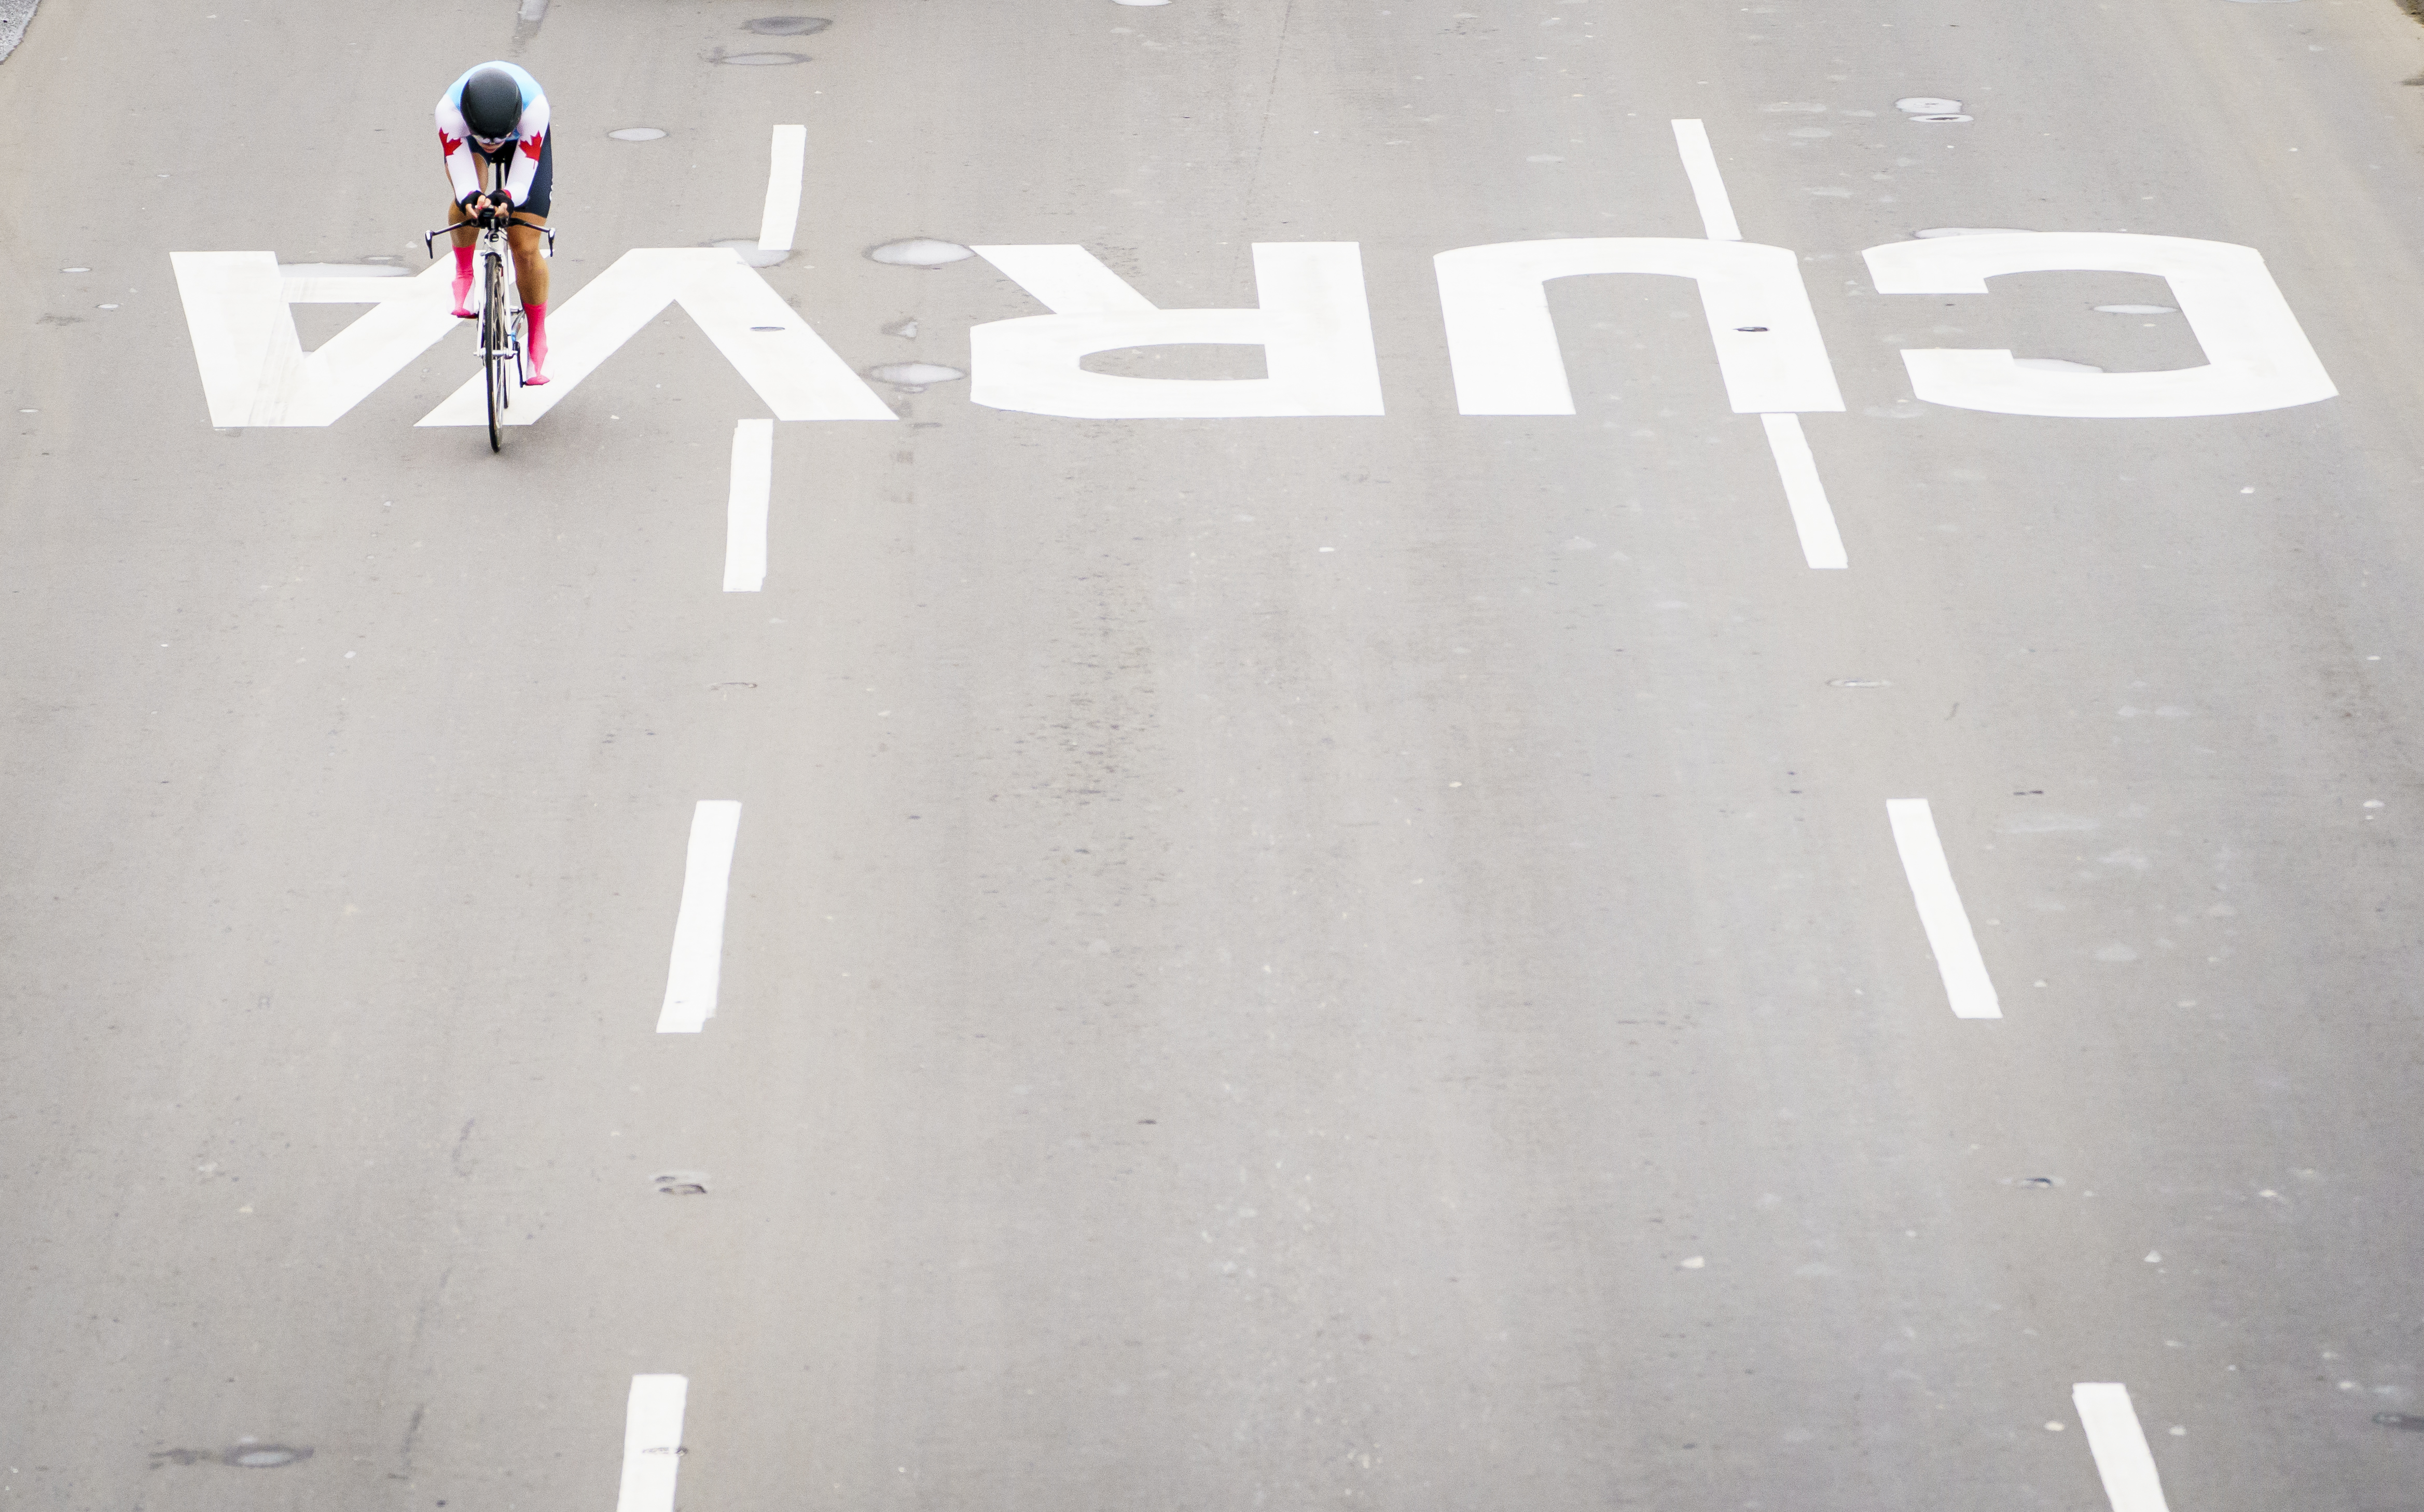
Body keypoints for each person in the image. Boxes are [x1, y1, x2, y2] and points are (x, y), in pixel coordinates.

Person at [438, 62, 554, 384]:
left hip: (525, 142)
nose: (491, 142)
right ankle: (464, 273)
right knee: (468, 205)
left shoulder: (535, 109)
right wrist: (472, 197)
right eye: (484, 137)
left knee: (525, 246)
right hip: (467, 141)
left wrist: (507, 197)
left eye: (499, 137)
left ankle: (538, 335)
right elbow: (464, 182)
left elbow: (522, 179)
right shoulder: (449, 112)